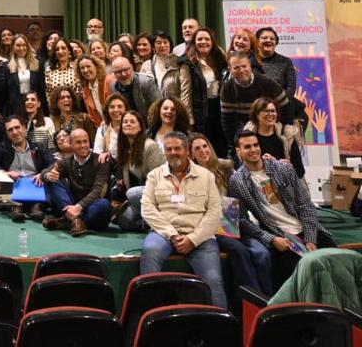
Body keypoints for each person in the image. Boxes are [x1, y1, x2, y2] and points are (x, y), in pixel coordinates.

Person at [138, 132, 229, 308]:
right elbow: (147, 208)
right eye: (169, 149)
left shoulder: (206, 176)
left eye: (177, 148)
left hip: (200, 236)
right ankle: (151, 315)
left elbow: (215, 211)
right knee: (149, 252)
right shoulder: (154, 175)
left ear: (187, 151)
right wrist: (172, 234)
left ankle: (221, 323)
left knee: (214, 281)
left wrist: (193, 239)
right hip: (164, 233)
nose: (173, 152)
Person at [230, 130, 333, 284]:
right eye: (247, 147)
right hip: (279, 237)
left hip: (308, 229)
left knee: (337, 265)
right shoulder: (236, 181)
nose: (253, 150)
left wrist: (310, 239)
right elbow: (242, 220)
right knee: (297, 280)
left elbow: (306, 204)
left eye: (256, 145)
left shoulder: (283, 168)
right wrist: (271, 239)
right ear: (238, 151)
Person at [190, 132, 273, 296]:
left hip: (233, 223)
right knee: (238, 250)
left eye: (205, 146)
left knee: (262, 253)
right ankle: (253, 298)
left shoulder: (225, 168)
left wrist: (269, 162)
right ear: (191, 154)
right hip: (210, 229)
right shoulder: (190, 175)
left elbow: (242, 185)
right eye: (197, 148)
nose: (203, 151)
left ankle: (270, 297)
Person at [42, 127, 111, 236]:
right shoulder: (66, 162)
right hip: (72, 204)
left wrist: (78, 207)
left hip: (92, 206)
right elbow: (44, 172)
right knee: (51, 180)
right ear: (71, 144)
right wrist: (48, 176)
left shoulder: (101, 160)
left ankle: (68, 221)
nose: (83, 145)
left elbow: (98, 191)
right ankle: (76, 221)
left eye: (85, 141)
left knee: (104, 205)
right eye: (78, 142)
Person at [0, 114, 52, 222]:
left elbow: (53, 163)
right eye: (10, 130)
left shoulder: (38, 147)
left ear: (24, 128)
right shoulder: (3, 147)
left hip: (35, 186)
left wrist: (43, 174)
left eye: (17, 127)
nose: (15, 132)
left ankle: (37, 206)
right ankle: (15, 207)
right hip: (13, 187)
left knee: (50, 179)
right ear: (7, 134)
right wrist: (5, 173)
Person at [221, 51, 291, 148]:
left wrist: (282, 134)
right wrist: (234, 145)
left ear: (250, 66)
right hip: (245, 133)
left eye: (244, 66)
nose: (241, 70)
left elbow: (287, 109)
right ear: (230, 70)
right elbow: (227, 121)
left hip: (270, 130)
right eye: (236, 68)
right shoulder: (227, 88)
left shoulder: (267, 82)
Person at [113, 110, 165, 232]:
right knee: (124, 222)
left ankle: (155, 221)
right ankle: (146, 221)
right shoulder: (124, 148)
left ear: (140, 127)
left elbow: (158, 181)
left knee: (132, 193)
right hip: (140, 197)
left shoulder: (150, 146)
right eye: (125, 122)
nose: (128, 124)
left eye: (132, 122)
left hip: (157, 193)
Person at [188, 27, 229, 155]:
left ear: (212, 42)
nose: (203, 42)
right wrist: (189, 118)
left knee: (221, 146)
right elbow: (186, 92)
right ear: (194, 42)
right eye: (199, 39)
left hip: (220, 107)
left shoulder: (220, 59)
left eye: (207, 39)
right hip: (201, 111)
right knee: (205, 147)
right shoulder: (189, 62)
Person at [244, 96, 305, 178]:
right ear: (256, 114)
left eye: (273, 111)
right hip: (255, 183)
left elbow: (300, 171)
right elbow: (242, 168)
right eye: (266, 111)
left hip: (283, 182)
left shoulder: (287, 135)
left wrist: (284, 166)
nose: (270, 114)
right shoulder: (247, 138)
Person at [255, 27, 299, 120]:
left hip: (279, 111)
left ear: (276, 43)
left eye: (272, 39)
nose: (268, 40)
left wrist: (274, 105)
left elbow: (290, 88)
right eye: (264, 38)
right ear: (257, 41)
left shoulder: (285, 62)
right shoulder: (249, 60)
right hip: (254, 110)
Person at [3, 34, 45, 118]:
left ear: (28, 46)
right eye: (18, 45)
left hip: (33, 107)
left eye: (24, 45)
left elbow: (41, 89)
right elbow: (4, 93)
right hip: (14, 109)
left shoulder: (37, 64)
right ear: (13, 47)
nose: (21, 48)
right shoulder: (6, 66)